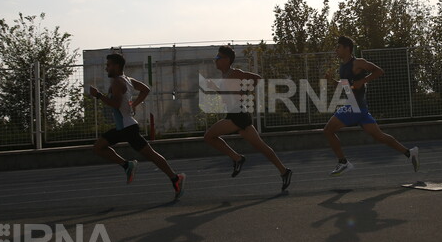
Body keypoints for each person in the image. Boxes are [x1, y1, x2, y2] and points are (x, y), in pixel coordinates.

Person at [88, 53, 185, 200]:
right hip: (125, 127)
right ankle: (128, 165)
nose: (106, 68)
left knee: (151, 155)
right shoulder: (128, 80)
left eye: (108, 65)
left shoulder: (117, 83)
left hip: (127, 128)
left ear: (117, 66)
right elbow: (146, 89)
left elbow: (116, 104)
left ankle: (174, 178)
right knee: (98, 147)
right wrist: (134, 104)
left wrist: (98, 95)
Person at [322, 35, 419, 176]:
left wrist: (364, 81)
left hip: (355, 107)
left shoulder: (358, 62)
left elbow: (379, 71)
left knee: (328, 130)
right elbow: (346, 86)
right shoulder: (343, 66)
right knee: (380, 136)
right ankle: (409, 152)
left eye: (338, 47)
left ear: (347, 48)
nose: (335, 49)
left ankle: (343, 162)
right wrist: (332, 81)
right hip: (360, 108)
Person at [203, 46, 292, 191]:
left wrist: (245, 91)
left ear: (227, 60)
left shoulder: (235, 73)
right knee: (261, 146)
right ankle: (284, 171)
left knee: (209, 136)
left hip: (237, 115)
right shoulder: (225, 76)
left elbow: (258, 78)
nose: (216, 60)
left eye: (218, 58)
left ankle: (237, 158)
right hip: (237, 114)